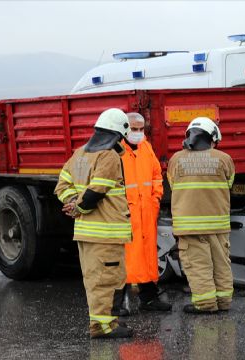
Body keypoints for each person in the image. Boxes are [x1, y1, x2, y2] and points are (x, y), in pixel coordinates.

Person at [54, 108, 134, 339]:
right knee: (108, 281)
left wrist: (71, 202)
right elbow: (98, 190)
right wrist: (80, 206)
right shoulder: (108, 156)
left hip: (86, 233)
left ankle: (102, 324)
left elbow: (62, 184)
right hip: (106, 232)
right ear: (119, 133)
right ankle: (104, 327)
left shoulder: (79, 154)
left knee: (94, 280)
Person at [167, 117, 235, 314]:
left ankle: (205, 304)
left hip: (190, 226)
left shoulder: (176, 160)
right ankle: (223, 302)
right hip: (218, 224)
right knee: (221, 264)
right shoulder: (224, 159)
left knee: (198, 265)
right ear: (212, 137)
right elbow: (229, 184)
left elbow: (173, 185)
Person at [120, 112, 171, 312]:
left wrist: (156, 199)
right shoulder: (117, 152)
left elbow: (156, 176)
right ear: (125, 128)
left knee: (147, 256)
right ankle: (118, 304)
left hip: (146, 212)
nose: (138, 133)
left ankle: (148, 297)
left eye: (141, 129)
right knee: (125, 257)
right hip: (127, 213)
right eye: (134, 129)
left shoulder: (146, 148)